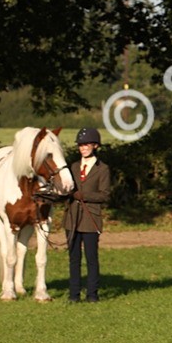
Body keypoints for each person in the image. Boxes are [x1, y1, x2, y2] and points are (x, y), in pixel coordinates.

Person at [64, 127, 111, 302]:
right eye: (80, 145)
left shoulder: (103, 169)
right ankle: (74, 295)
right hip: (72, 219)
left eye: (86, 145)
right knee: (74, 259)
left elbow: (104, 195)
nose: (83, 148)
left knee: (91, 258)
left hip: (91, 219)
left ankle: (92, 294)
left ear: (95, 146)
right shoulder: (73, 166)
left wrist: (84, 196)